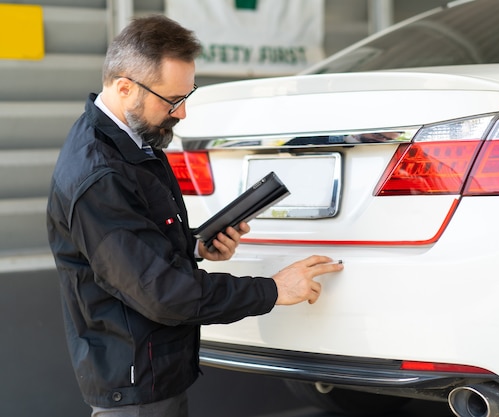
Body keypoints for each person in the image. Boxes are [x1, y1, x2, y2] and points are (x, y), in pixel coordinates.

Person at [46, 14, 343, 417]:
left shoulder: (133, 142)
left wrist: (196, 246)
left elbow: (137, 251)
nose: (183, 113)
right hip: (135, 388)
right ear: (124, 87)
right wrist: (273, 289)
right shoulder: (100, 175)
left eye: (188, 96)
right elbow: (163, 293)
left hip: (153, 371)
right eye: (172, 100)